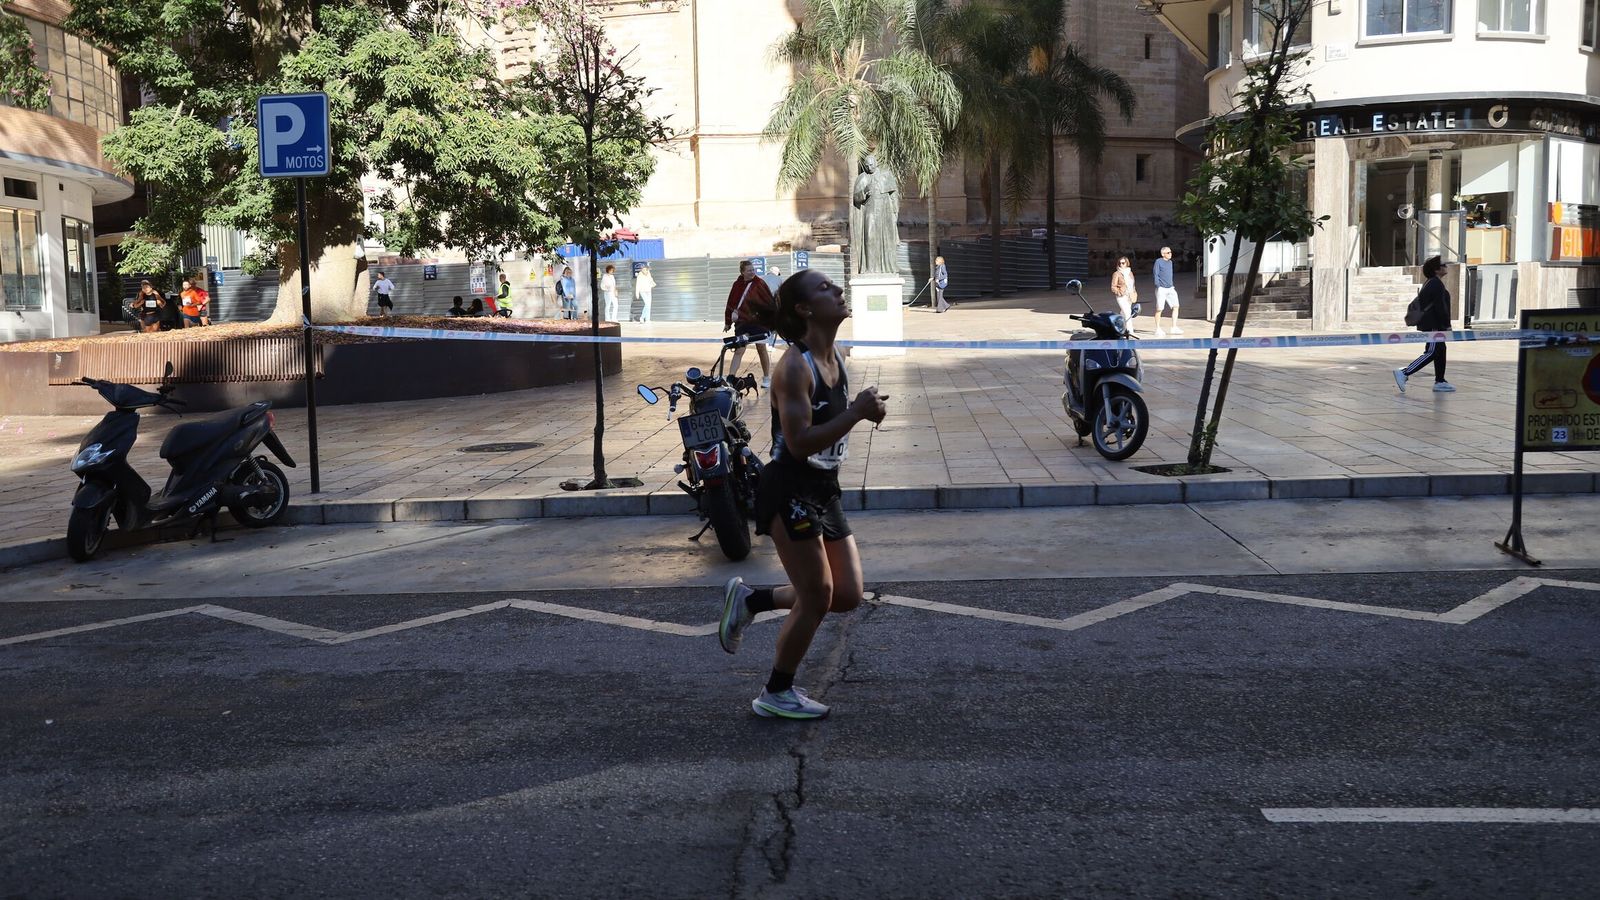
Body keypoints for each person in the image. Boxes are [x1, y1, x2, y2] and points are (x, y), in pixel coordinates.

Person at [716, 268, 889, 720]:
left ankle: (752, 600)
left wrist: (859, 411)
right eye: (825, 288)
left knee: (846, 594)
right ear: (805, 309)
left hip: (823, 487)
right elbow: (798, 442)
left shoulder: (838, 358)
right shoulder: (795, 366)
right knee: (816, 596)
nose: (837, 290)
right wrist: (856, 413)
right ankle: (776, 692)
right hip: (789, 485)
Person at [1394, 255, 1456, 394]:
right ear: (1436, 269)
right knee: (1433, 351)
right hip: (1434, 324)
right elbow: (1441, 308)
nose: (1446, 266)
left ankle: (1440, 381)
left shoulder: (1432, 282)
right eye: (1443, 264)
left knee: (1440, 350)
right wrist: (1447, 326)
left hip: (1434, 324)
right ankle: (1404, 372)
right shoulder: (1435, 283)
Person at [725, 259, 776, 388]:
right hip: (742, 322)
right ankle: (731, 378)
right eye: (749, 270)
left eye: (753, 269)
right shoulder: (737, 285)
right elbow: (731, 303)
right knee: (739, 349)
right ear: (742, 272)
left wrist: (773, 322)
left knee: (761, 349)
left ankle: (766, 378)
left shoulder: (759, 283)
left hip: (759, 322)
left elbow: (769, 302)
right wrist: (728, 322)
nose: (752, 272)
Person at [1151, 246, 1182, 336]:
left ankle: (1174, 327)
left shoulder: (1170, 262)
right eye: (1168, 252)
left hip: (1170, 288)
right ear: (1163, 254)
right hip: (1161, 288)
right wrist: (1158, 285)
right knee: (1159, 308)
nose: (1170, 254)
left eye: (1170, 252)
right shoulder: (1158, 262)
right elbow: (1155, 274)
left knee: (1176, 306)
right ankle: (1158, 328)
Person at [1111, 255, 1137, 325]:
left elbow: (1132, 284)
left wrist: (1134, 292)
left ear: (1127, 263)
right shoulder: (1116, 274)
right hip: (1121, 296)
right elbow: (1113, 286)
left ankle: (1119, 325)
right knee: (1127, 312)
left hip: (1130, 295)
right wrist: (1119, 293)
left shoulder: (1130, 273)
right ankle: (1129, 331)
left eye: (1123, 263)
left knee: (1123, 313)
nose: (1121, 265)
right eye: (1120, 263)